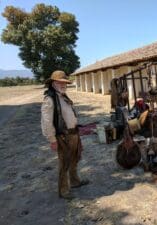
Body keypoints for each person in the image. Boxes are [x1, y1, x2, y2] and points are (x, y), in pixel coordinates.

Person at [41, 70, 89, 199]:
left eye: (64, 82)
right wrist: (52, 140)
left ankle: (75, 182)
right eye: (59, 82)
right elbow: (46, 122)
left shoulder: (63, 96)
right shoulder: (49, 99)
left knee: (74, 160)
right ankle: (63, 191)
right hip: (62, 136)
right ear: (53, 83)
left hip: (73, 134)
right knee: (64, 164)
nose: (63, 85)